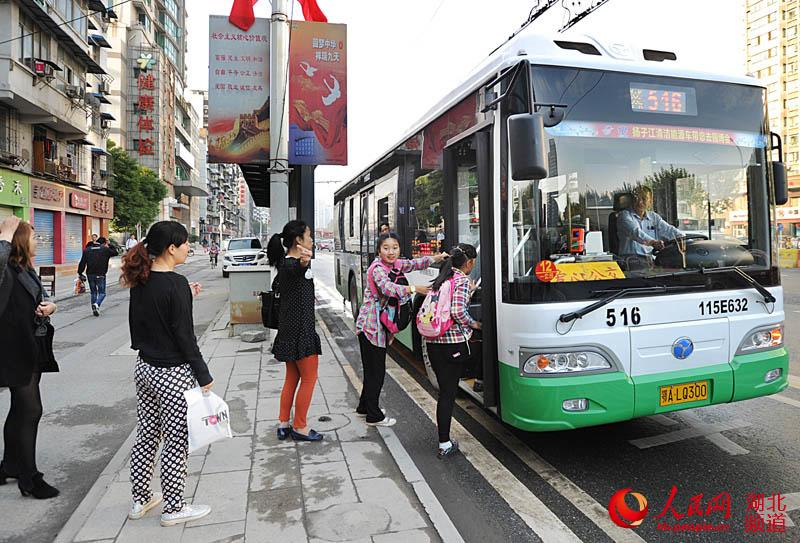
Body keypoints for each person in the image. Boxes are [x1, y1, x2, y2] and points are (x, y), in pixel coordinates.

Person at [122, 221, 212, 526]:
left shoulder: (143, 279)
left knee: (147, 434)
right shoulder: (175, 284)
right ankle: (174, 507)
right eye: (185, 243)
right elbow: (185, 337)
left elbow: (147, 318)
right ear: (171, 248)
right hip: (172, 373)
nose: (188, 247)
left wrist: (186, 295)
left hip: (145, 367)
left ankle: (141, 499)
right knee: (176, 440)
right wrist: (203, 375)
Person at [355, 233, 446, 426]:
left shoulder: (394, 265)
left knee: (372, 369)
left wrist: (436, 258)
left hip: (376, 325)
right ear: (379, 250)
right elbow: (388, 288)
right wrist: (414, 289)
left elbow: (414, 264)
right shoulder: (378, 268)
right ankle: (374, 416)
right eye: (386, 248)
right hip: (371, 326)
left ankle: (364, 407)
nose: (391, 252)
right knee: (376, 371)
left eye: (395, 247)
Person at [0, 216, 60, 499]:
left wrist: (51, 307)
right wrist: (6, 234)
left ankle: (10, 465)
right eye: (34, 237)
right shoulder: (6, 269)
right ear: (20, 241)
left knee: (20, 408)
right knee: (31, 410)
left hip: (29, 346)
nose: (38, 241)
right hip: (12, 350)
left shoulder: (25, 269)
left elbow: (40, 298)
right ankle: (29, 478)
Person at [268, 220, 324, 442]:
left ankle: (283, 423)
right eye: (309, 236)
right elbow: (297, 268)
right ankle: (300, 426)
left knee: (292, 378)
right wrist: (304, 261)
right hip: (302, 332)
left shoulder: (284, 264)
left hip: (288, 332)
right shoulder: (293, 265)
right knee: (309, 379)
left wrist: (304, 262)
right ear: (299, 240)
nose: (311, 240)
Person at [424, 244, 480, 459]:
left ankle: (444, 439)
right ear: (470, 263)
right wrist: (473, 324)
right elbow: (457, 311)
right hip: (452, 345)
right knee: (448, 394)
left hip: (433, 343)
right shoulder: (462, 281)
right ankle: (444, 443)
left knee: (444, 393)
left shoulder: (443, 278)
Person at [616, 185, 683, 266]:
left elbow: (669, 230)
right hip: (630, 260)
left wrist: (683, 238)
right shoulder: (624, 215)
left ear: (650, 202)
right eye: (636, 198)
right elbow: (635, 233)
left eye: (643, 199)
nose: (640, 202)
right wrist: (653, 242)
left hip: (650, 259)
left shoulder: (654, 217)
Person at [78, 237, 118, 317]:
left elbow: (82, 263)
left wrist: (80, 272)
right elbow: (115, 253)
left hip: (90, 274)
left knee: (93, 292)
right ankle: (97, 304)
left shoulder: (87, 250)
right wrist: (110, 244)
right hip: (101, 274)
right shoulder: (105, 249)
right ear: (104, 243)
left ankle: (94, 309)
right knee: (102, 293)